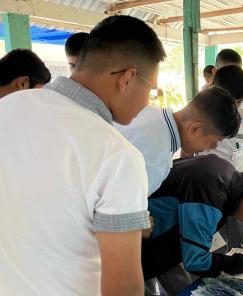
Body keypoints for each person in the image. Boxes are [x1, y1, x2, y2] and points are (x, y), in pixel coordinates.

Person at [0, 15, 166, 296]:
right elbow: (123, 288)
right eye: (151, 89)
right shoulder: (117, 155)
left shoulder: (9, 106)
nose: (148, 101)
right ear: (127, 79)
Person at [142, 155, 243, 294]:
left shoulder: (227, 174)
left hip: (164, 243)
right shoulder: (211, 193)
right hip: (138, 247)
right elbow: (195, 260)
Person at [116, 86, 241, 196]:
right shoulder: (158, 158)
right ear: (195, 129)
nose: (212, 147)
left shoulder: (145, 112)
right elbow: (120, 209)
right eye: (213, 141)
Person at [199, 65, 243, 249]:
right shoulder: (200, 115)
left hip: (239, 189)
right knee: (213, 245)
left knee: (242, 241)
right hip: (208, 191)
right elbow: (187, 156)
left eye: (239, 101)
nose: (233, 107)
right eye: (228, 101)